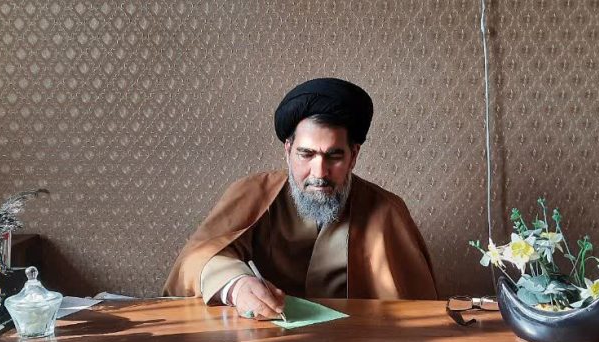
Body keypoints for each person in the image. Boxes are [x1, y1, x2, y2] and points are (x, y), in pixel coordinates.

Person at [163, 78, 437, 318]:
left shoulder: (387, 211)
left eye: (334, 156)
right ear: (288, 150)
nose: (319, 172)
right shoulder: (253, 193)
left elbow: (418, 314)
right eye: (306, 154)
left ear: (353, 156)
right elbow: (197, 260)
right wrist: (237, 286)